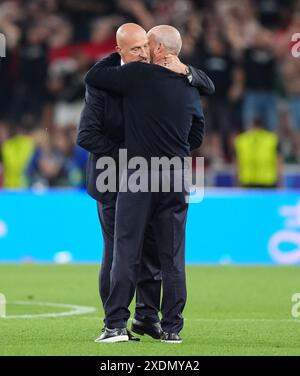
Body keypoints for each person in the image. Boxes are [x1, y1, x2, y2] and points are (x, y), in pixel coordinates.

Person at [78, 23, 214, 343]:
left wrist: (141, 154)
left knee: (137, 251)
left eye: (145, 46)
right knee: (138, 252)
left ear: (158, 50)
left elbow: (205, 84)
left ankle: (134, 320)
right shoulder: (181, 85)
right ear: (120, 50)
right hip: (140, 173)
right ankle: (167, 328)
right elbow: (86, 134)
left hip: (138, 175)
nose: (142, 52)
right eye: (135, 47)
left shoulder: (153, 76)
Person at [234, 117, 281, 188]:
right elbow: (278, 161)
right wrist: (279, 180)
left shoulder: (241, 140)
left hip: (247, 180)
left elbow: (237, 162)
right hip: (267, 180)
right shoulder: (272, 139)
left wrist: (237, 180)